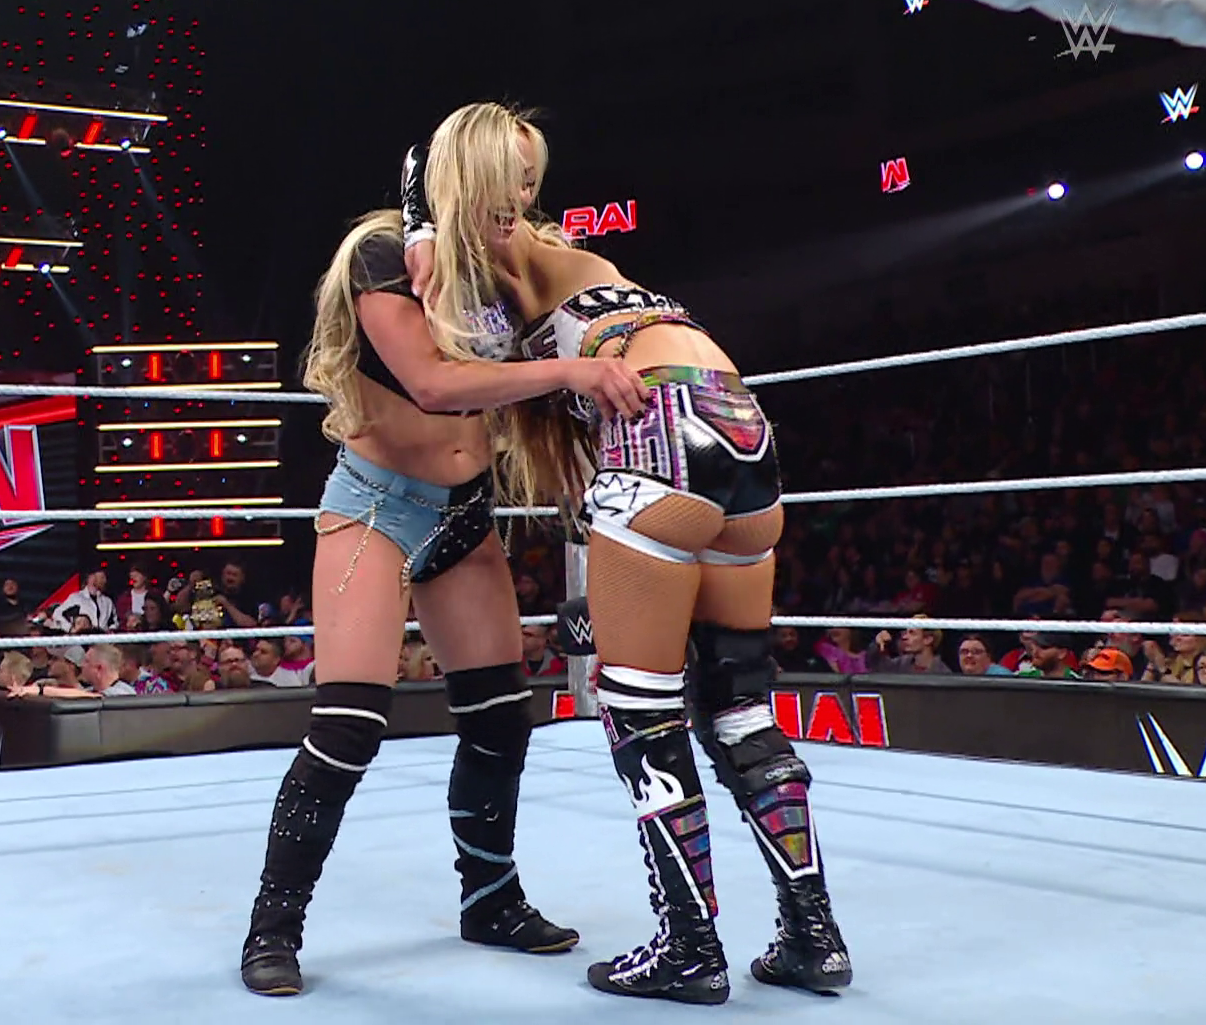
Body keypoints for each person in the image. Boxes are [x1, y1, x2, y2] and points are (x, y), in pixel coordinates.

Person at [401, 102, 851, 1003]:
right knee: (740, 702)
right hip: (737, 414)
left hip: (659, 429)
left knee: (640, 707)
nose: (522, 195)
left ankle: (689, 945)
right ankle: (815, 937)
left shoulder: (470, 264)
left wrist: (419, 216)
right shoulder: (568, 262)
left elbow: (445, 359)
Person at [235, 114, 645, 998]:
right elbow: (432, 383)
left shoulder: (510, 260)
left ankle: (490, 900)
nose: (525, 199)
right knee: (348, 726)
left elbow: (600, 293)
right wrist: (569, 373)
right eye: (511, 179)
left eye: (533, 181)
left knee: (501, 718)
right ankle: (273, 926)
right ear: (470, 173)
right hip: (376, 509)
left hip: (464, 512)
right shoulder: (381, 255)